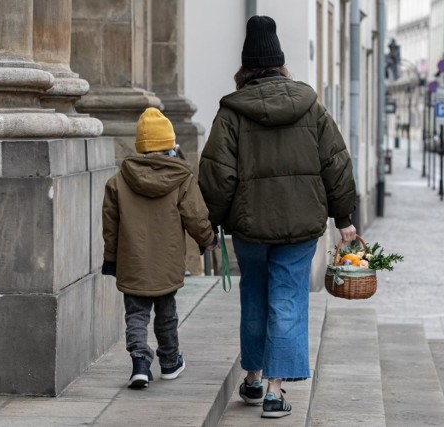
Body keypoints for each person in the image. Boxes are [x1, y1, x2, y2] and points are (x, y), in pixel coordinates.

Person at [198, 15, 357, 419]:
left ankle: (252, 378)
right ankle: (274, 391)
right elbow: (336, 165)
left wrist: (211, 226)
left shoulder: (231, 113)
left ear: (245, 66)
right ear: (282, 62)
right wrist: (344, 219)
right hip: (302, 227)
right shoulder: (311, 109)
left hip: (251, 227)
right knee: (287, 298)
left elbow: (216, 175)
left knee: (254, 297)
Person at [102, 107, 217, 389]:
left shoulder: (118, 181)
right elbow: (196, 216)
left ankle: (140, 363)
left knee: (136, 314)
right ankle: (169, 361)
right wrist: (208, 240)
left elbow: (110, 227)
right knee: (167, 313)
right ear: (170, 144)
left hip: (133, 260)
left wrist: (112, 259)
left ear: (140, 146)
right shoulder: (182, 179)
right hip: (166, 262)